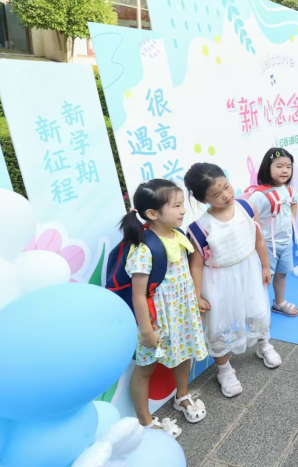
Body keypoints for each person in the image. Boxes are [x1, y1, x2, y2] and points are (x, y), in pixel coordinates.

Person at [184, 163, 280, 400]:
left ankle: (263, 344)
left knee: (257, 310)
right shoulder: (199, 228)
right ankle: (225, 370)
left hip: (249, 270)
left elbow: (258, 240)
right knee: (219, 325)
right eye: (216, 194)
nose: (226, 195)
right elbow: (195, 264)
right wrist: (197, 295)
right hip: (218, 281)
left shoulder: (246, 207)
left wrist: (266, 265)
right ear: (202, 199)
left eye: (226, 187)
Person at [121, 179, 209, 435]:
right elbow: (139, 295)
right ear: (152, 213)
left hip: (181, 314)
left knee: (184, 354)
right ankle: (144, 420)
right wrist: (147, 331)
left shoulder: (178, 234)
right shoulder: (143, 246)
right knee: (145, 368)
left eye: (182, 204)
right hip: (157, 320)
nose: (183, 210)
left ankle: (182, 396)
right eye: (177, 206)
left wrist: (195, 299)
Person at [250, 149, 298, 318]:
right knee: (263, 279)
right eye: (279, 166)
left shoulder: (290, 190)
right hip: (268, 246)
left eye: (288, 166)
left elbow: (294, 202)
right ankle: (260, 312)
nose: (285, 170)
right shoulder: (259, 195)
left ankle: (279, 302)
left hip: (286, 242)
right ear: (267, 167)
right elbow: (250, 218)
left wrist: (291, 220)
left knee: (282, 273)